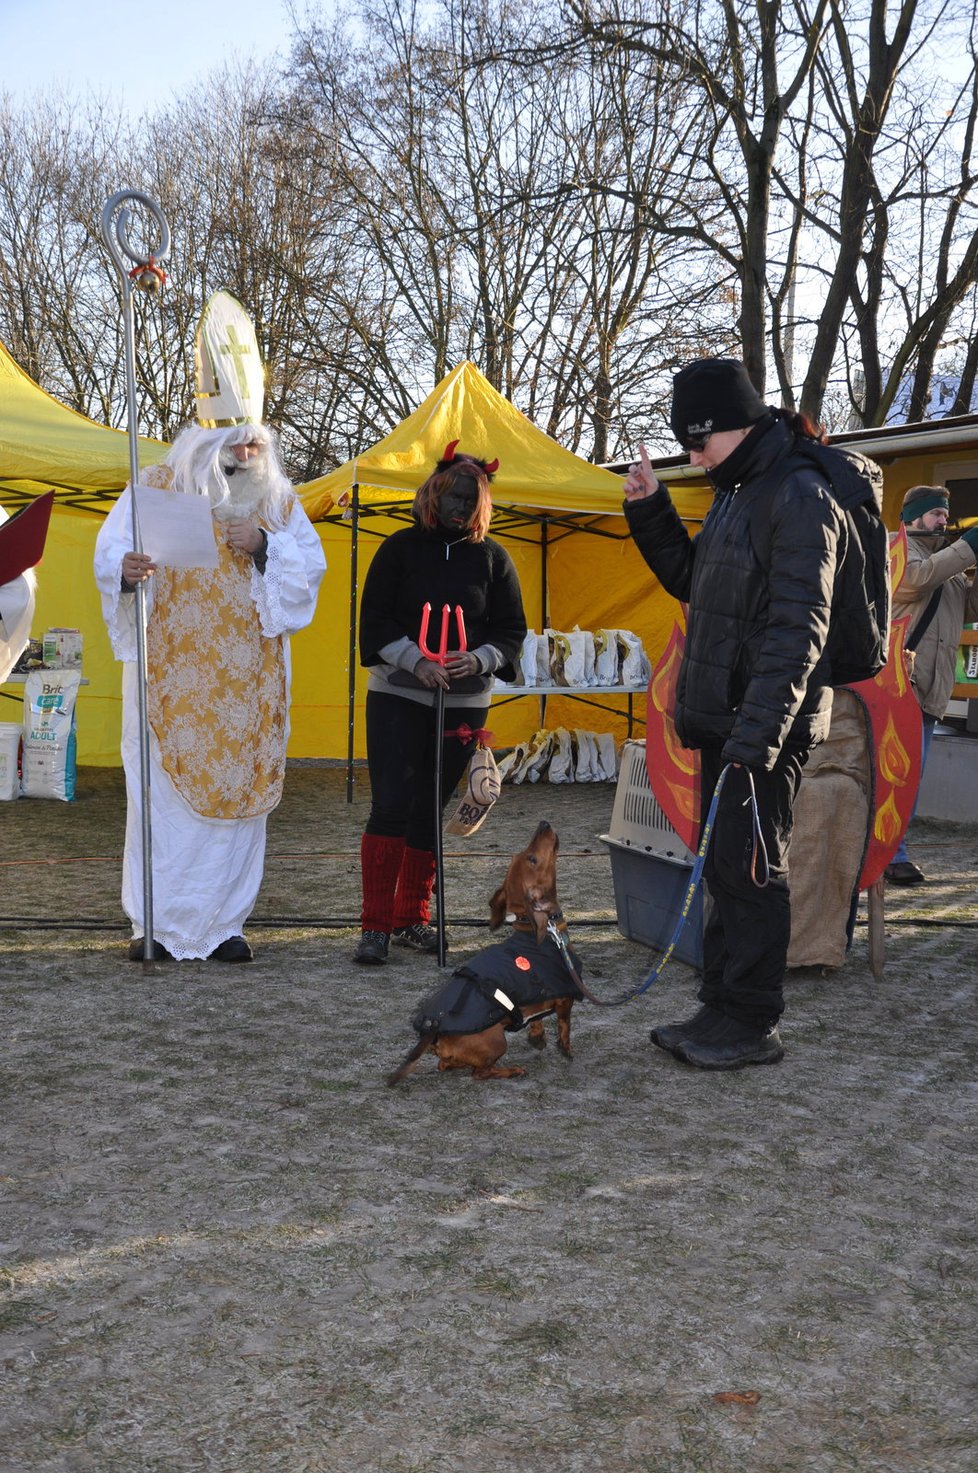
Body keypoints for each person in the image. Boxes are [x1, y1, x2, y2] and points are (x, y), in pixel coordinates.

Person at [623, 357, 853, 1070]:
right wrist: (651, 508)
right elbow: (699, 582)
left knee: (753, 870)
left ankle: (753, 1021)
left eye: (699, 444)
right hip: (731, 723)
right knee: (725, 867)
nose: (694, 458)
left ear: (738, 423)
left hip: (765, 728)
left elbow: (798, 630)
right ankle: (720, 1004)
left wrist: (759, 734)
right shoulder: (738, 490)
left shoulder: (798, 493)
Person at [93, 292, 325, 963]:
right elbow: (112, 553)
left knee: (235, 815)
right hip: (173, 688)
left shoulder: (278, 502)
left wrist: (264, 547)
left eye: (254, 445)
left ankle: (225, 925)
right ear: (207, 445)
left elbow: (307, 570)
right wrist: (128, 571)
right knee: (166, 809)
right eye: (234, 446)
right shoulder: (160, 481)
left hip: (247, 692)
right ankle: (157, 927)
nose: (245, 455)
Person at [354, 444, 527, 964]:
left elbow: (512, 630)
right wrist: (414, 659)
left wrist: (476, 660)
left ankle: (412, 918)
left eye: (469, 499)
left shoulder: (494, 558)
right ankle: (375, 927)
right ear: (432, 493)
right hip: (398, 696)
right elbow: (376, 619)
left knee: (430, 807)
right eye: (451, 495)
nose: (458, 507)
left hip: (464, 703)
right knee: (391, 803)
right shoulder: (399, 548)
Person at [884, 484, 978, 885]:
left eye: (945, 513)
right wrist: (969, 547)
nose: (944, 519)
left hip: (930, 690)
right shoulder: (895, 546)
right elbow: (915, 580)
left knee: (912, 778)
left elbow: (970, 608)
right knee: (893, 775)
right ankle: (889, 854)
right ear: (914, 516)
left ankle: (893, 851)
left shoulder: (947, 564)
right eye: (936, 513)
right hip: (898, 684)